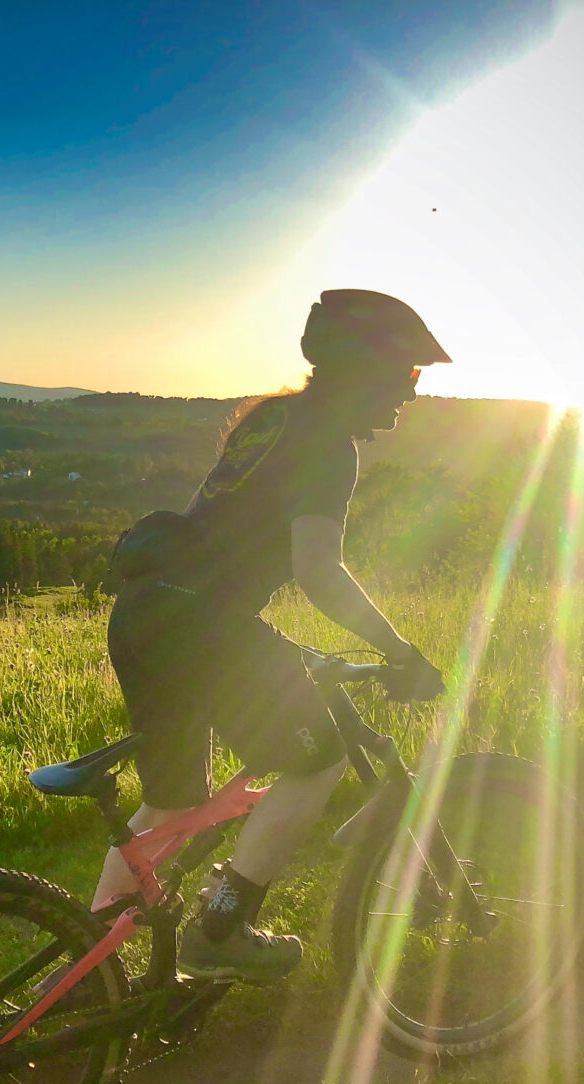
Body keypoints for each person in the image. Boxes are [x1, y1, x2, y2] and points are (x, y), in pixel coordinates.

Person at [97, 289, 451, 982]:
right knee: (319, 758)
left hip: (146, 612)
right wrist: (399, 651)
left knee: (172, 804)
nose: (411, 394)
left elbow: (232, 537)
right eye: (409, 374)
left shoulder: (275, 421)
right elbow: (318, 571)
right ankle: (221, 929)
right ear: (366, 368)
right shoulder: (327, 444)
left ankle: (88, 970)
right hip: (201, 625)